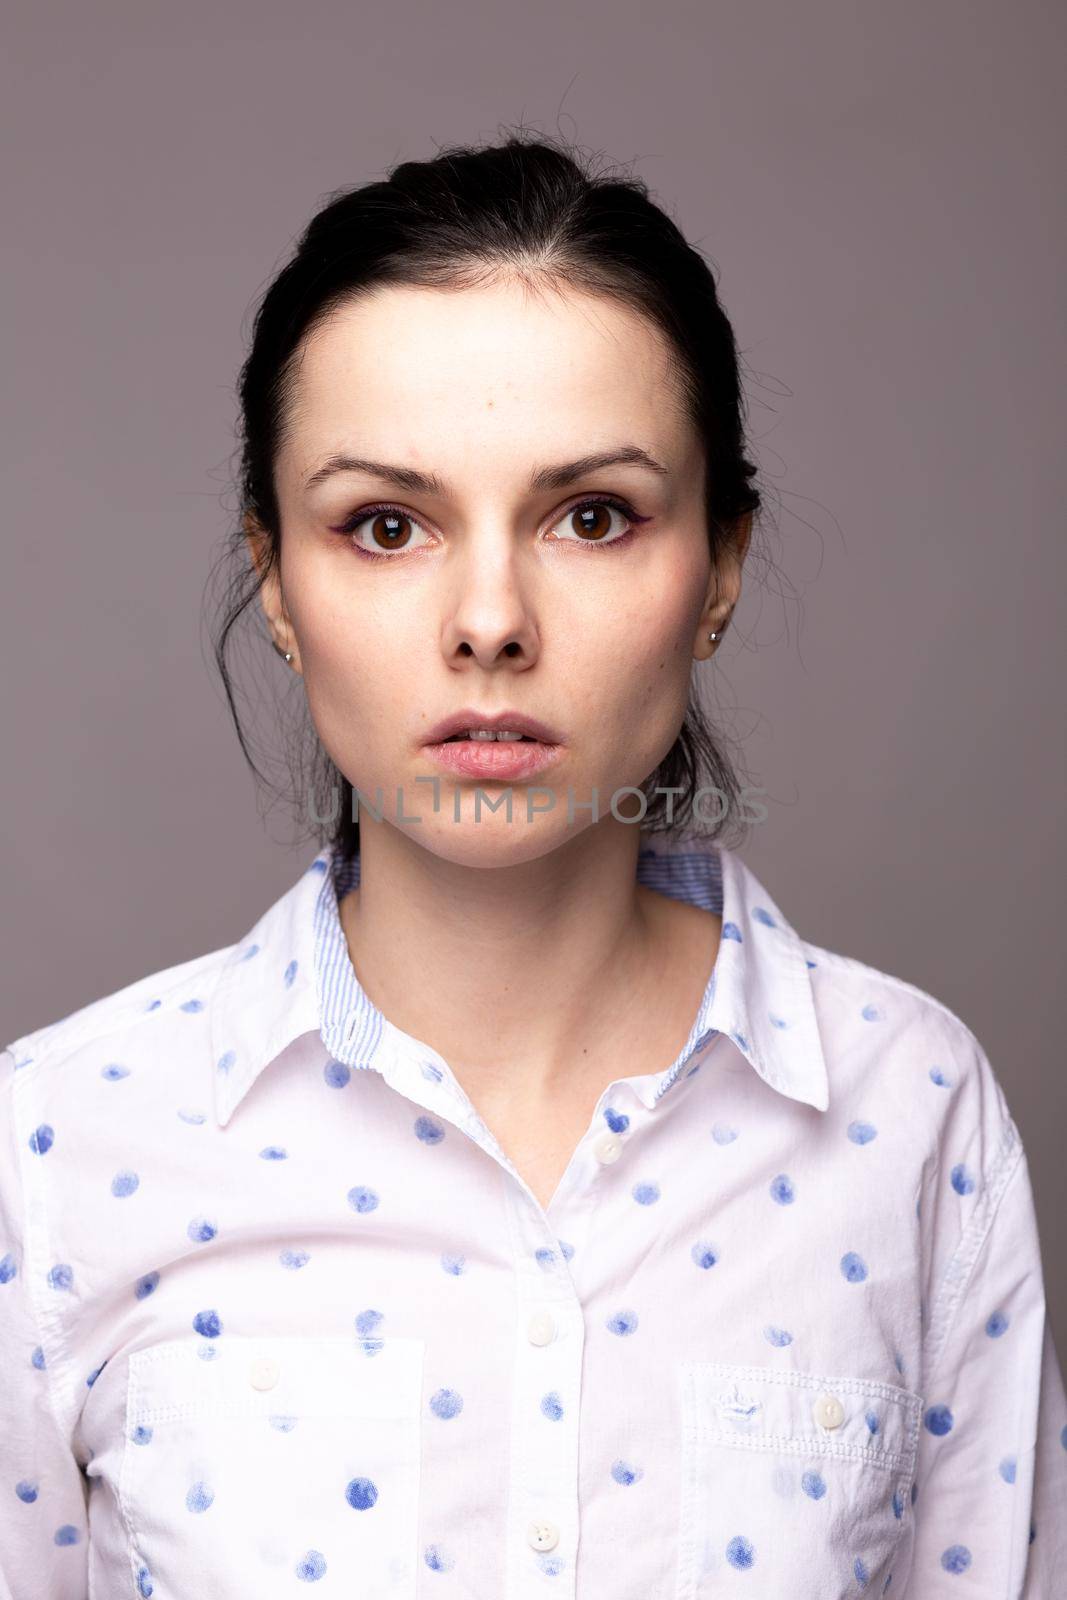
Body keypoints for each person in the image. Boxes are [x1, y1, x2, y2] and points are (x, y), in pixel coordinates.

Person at [1, 132, 1063, 1600]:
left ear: (722, 571)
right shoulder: (59, 1148)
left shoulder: (913, 1115)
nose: (489, 619)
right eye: (385, 526)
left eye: (592, 517)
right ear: (278, 586)